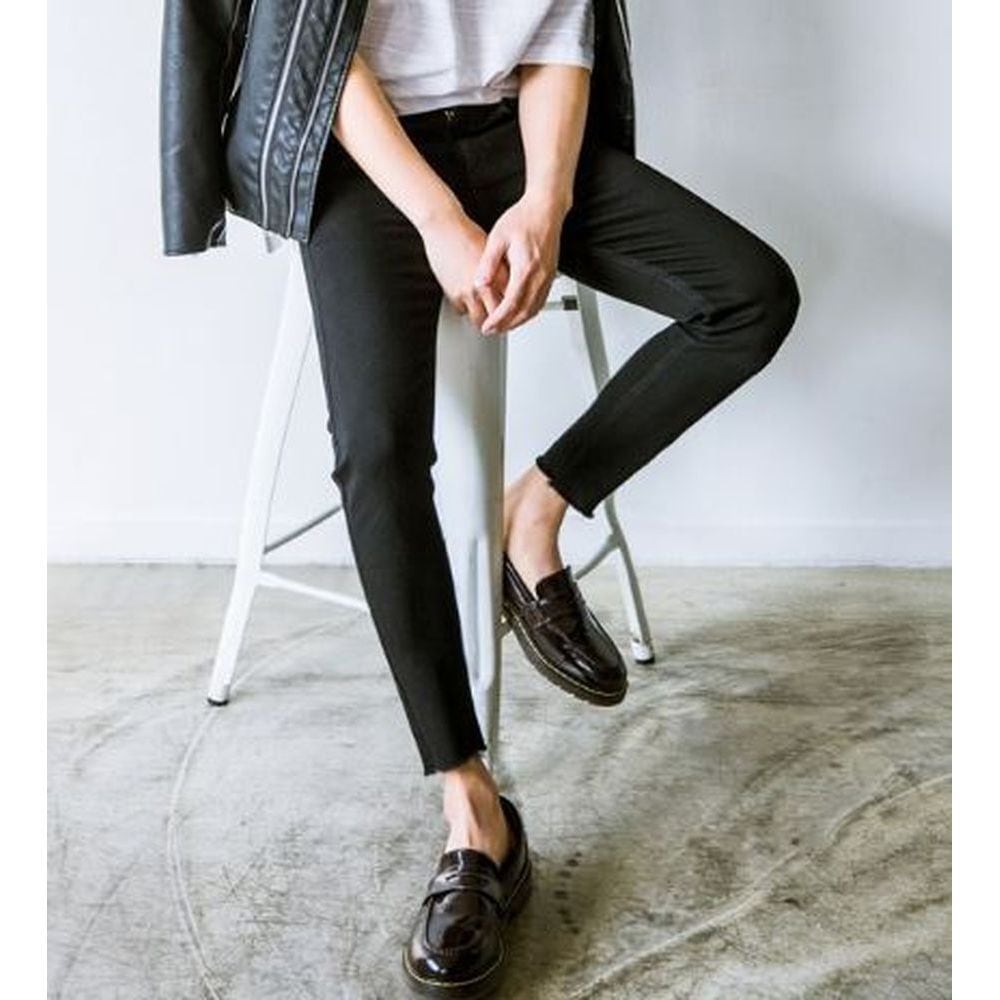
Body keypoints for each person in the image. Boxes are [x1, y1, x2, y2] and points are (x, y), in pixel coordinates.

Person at [162, 1, 800, 994]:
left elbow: (555, 35)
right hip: (361, 158)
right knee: (377, 454)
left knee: (749, 294)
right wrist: (438, 218)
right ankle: (473, 813)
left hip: (516, 138)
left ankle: (533, 511)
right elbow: (321, 52)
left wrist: (545, 201)